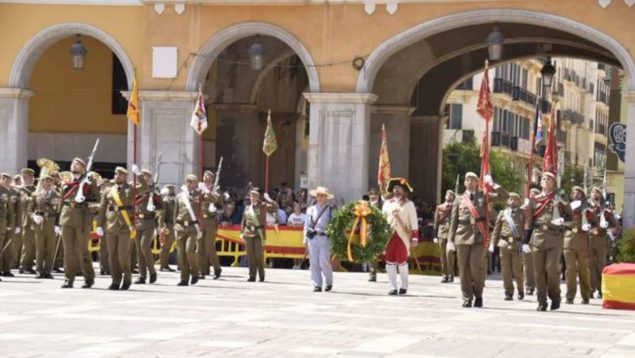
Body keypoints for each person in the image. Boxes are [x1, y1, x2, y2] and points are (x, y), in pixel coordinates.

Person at [448, 172, 507, 308]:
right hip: (462, 235)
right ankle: (467, 297)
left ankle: (478, 294)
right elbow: (454, 220)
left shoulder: (484, 196)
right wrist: (450, 240)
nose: (470, 182)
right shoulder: (459, 199)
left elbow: (505, 197)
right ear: (464, 183)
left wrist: (493, 184)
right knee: (463, 269)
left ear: (477, 183)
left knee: (476, 267)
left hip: (479, 236)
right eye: (467, 180)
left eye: (473, 180)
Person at [523, 171, 568, 311]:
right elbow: (529, 221)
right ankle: (541, 301)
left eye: (549, 179)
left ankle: (555, 296)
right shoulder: (534, 200)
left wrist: (563, 221)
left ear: (554, 183)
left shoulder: (560, 199)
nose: (546, 180)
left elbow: (572, 217)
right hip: (538, 237)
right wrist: (525, 241)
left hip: (554, 237)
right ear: (540, 182)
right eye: (544, 178)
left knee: (552, 268)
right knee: (539, 271)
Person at [95, 167, 142, 290]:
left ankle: (127, 278)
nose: (117, 176)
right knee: (112, 255)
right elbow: (102, 209)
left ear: (125, 176)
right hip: (111, 225)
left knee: (122, 254)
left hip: (125, 225)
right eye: (116, 173)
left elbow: (145, 188)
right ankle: (115, 280)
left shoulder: (130, 189)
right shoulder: (108, 190)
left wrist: (139, 174)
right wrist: (99, 224)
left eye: (120, 174)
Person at [59, 158, 98, 289]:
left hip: (81, 217)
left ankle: (88, 277)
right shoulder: (66, 181)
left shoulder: (89, 181)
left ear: (83, 168)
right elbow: (61, 201)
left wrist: (85, 197)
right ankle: (68, 278)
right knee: (68, 251)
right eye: (72, 163)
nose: (74, 166)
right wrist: (57, 221)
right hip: (66, 216)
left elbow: (97, 199)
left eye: (77, 164)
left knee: (82, 250)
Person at [382, 178, 419, 295]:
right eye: (395, 188)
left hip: (403, 236)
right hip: (389, 236)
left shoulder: (409, 204)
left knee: (401, 261)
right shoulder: (387, 203)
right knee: (389, 261)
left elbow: (414, 222)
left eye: (399, 188)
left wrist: (414, 237)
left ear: (404, 191)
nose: (396, 190)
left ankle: (404, 285)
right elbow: (383, 219)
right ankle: (393, 287)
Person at [491, 192, 525, 301]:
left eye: (515, 199)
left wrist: (526, 244)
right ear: (507, 201)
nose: (512, 201)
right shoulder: (502, 213)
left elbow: (526, 229)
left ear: (519, 201)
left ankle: (520, 289)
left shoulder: (523, 213)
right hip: (504, 243)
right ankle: (508, 292)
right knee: (506, 270)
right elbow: (496, 230)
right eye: (510, 199)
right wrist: (492, 243)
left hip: (517, 243)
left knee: (517, 270)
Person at [27, 175, 61, 279]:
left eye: (50, 182)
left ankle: (48, 271)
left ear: (52, 183)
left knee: (51, 249)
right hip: (40, 223)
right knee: (40, 248)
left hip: (51, 222)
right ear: (42, 183)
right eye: (45, 182)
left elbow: (60, 211)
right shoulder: (35, 195)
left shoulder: (58, 195)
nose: (47, 184)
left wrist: (58, 225)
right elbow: (29, 209)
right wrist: (34, 217)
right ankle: (39, 270)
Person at [587, 186, 619, 299]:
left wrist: (607, 228)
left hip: (601, 238)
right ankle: (590, 290)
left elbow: (614, 225)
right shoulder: (585, 208)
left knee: (600, 265)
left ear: (600, 195)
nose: (595, 194)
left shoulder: (605, 209)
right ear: (590, 194)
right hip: (589, 239)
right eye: (593, 192)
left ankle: (601, 290)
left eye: (597, 192)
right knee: (589, 265)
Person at [240, 188, 277, 282]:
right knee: (250, 255)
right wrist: (241, 232)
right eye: (251, 196)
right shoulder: (247, 208)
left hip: (259, 232)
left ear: (258, 197)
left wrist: (269, 200)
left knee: (258, 255)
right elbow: (243, 221)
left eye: (255, 196)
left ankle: (261, 275)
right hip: (248, 233)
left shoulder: (263, 206)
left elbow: (275, 207)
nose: (253, 198)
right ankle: (252, 275)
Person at [563, 186, 591, 304]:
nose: (576, 194)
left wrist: (588, 227)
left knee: (583, 269)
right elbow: (559, 220)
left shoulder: (587, 208)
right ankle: (570, 296)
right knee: (570, 270)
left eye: (578, 193)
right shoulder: (566, 207)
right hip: (569, 239)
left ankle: (586, 296)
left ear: (582, 195)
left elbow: (594, 222)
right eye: (574, 193)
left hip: (582, 239)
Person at [304, 186, 334, 292]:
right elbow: (306, 225)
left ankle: (329, 282)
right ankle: (317, 284)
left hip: (325, 238)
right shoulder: (310, 210)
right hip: (313, 237)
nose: (321, 198)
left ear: (326, 197)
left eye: (323, 196)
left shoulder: (330, 210)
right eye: (319, 195)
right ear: (316, 197)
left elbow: (333, 225)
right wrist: (305, 239)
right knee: (314, 262)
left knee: (324, 261)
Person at [174, 175, 201, 286]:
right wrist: (175, 227)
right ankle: (184, 278)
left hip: (192, 228)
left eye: (194, 182)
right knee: (182, 254)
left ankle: (195, 272)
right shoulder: (180, 196)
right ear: (187, 182)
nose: (192, 184)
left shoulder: (199, 195)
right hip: (180, 227)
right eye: (190, 182)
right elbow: (175, 213)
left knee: (189, 250)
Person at [133, 168, 158, 284]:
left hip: (149, 222)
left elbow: (162, 207)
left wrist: (155, 208)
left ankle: (152, 271)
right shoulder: (136, 190)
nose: (144, 177)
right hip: (138, 221)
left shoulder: (153, 191)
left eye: (147, 176)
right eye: (142, 176)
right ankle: (142, 275)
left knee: (144, 246)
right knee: (139, 250)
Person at [198, 170, 223, 280]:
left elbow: (219, 203)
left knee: (209, 246)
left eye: (209, 176)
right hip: (200, 220)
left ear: (212, 179)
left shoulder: (215, 189)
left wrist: (210, 193)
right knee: (199, 247)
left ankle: (217, 268)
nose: (206, 178)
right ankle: (201, 271)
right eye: (205, 176)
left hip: (210, 221)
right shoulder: (199, 189)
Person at [434, 189, 456, 283]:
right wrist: (434, 235)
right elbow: (436, 222)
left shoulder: (455, 207)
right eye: (447, 194)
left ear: (453, 197)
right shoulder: (440, 207)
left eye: (451, 195)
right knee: (442, 255)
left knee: (449, 254)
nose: (448, 195)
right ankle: (444, 274)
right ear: (445, 196)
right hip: (441, 233)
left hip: (451, 233)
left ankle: (451, 274)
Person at [521, 188, 540, 296]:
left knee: (539, 264)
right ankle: (529, 286)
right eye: (531, 194)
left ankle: (540, 286)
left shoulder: (541, 207)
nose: (532, 196)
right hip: (526, 237)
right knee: (528, 264)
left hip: (539, 236)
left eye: (535, 194)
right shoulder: (523, 208)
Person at [18, 168, 37, 275]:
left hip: (37, 220)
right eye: (29, 177)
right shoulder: (21, 190)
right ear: (24, 178)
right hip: (27, 219)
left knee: (34, 244)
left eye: (32, 176)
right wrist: (35, 196)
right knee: (28, 244)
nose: (31, 178)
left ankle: (29, 264)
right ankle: (24, 265)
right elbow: (25, 200)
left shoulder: (35, 189)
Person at [0, 173, 16, 280]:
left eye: (8, 180)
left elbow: (10, 210)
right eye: (4, 179)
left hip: (2, 223)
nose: (6, 181)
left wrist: (10, 224)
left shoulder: (6, 192)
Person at [158, 184, 176, 272]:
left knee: (168, 246)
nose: (172, 190)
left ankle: (165, 264)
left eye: (173, 189)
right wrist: (162, 226)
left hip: (173, 225)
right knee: (165, 246)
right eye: (170, 189)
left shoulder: (174, 200)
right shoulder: (165, 200)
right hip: (167, 224)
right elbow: (162, 214)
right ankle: (162, 264)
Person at [366, 188, 383, 282]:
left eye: (375, 194)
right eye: (371, 194)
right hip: (369, 232)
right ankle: (372, 274)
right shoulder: (366, 206)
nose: (372, 196)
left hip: (381, 230)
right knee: (372, 253)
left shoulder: (382, 205)